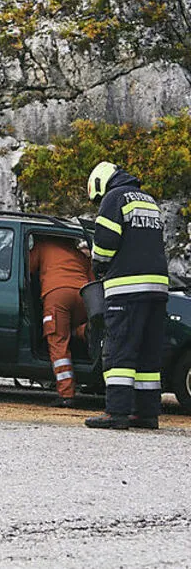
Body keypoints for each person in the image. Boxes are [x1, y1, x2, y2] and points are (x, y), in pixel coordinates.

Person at [84, 161, 169, 430]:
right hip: (157, 288)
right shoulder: (148, 200)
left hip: (126, 289)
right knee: (147, 354)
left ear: (100, 184)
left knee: (119, 350)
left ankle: (116, 412)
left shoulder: (114, 198)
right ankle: (146, 413)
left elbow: (105, 243)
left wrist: (98, 264)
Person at [28, 236, 93, 408]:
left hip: (57, 295)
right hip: (83, 296)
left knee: (58, 340)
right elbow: (93, 280)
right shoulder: (79, 254)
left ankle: (66, 395)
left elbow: (26, 268)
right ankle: (85, 331)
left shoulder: (43, 245)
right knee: (73, 328)